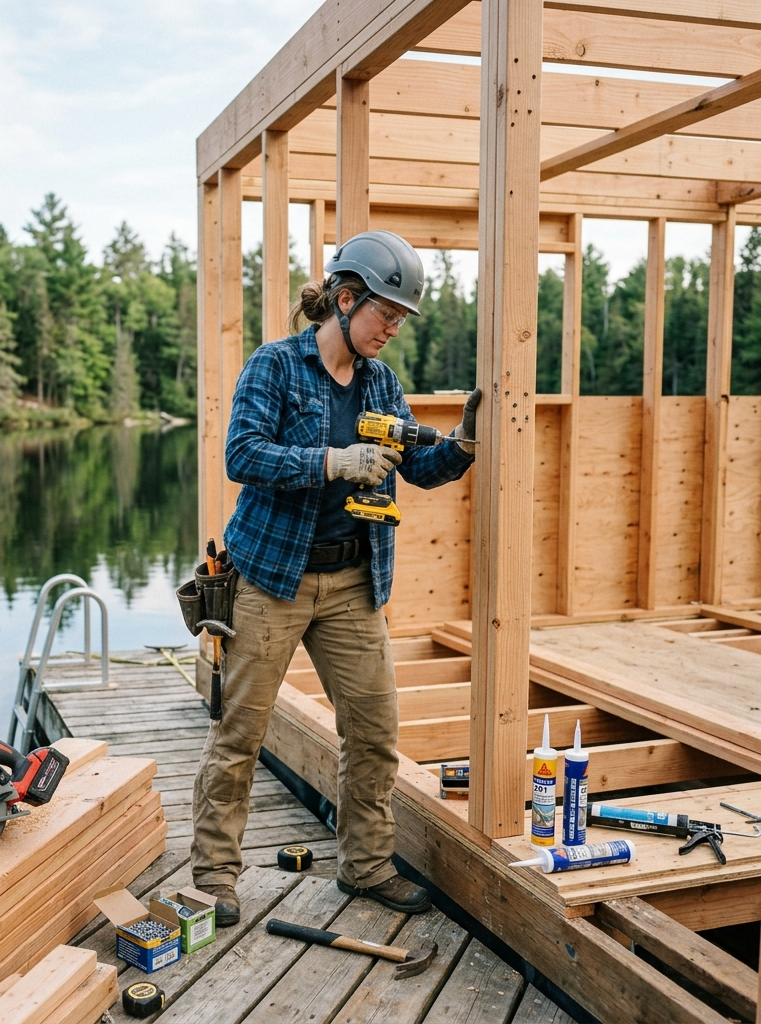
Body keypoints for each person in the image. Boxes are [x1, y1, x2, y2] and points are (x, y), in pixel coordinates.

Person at [191, 230, 480, 926]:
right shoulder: (276, 366)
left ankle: (366, 866)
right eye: (386, 315)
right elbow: (243, 455)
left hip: (353, 583)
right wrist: (333, 462)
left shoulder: (382, 383)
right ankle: (214, 879)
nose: (392, 330)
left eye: (401, 319)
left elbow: (419, 465)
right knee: (240, 733)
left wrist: (465, 444)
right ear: (345, 300)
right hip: (268, 580)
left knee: (375, 731)